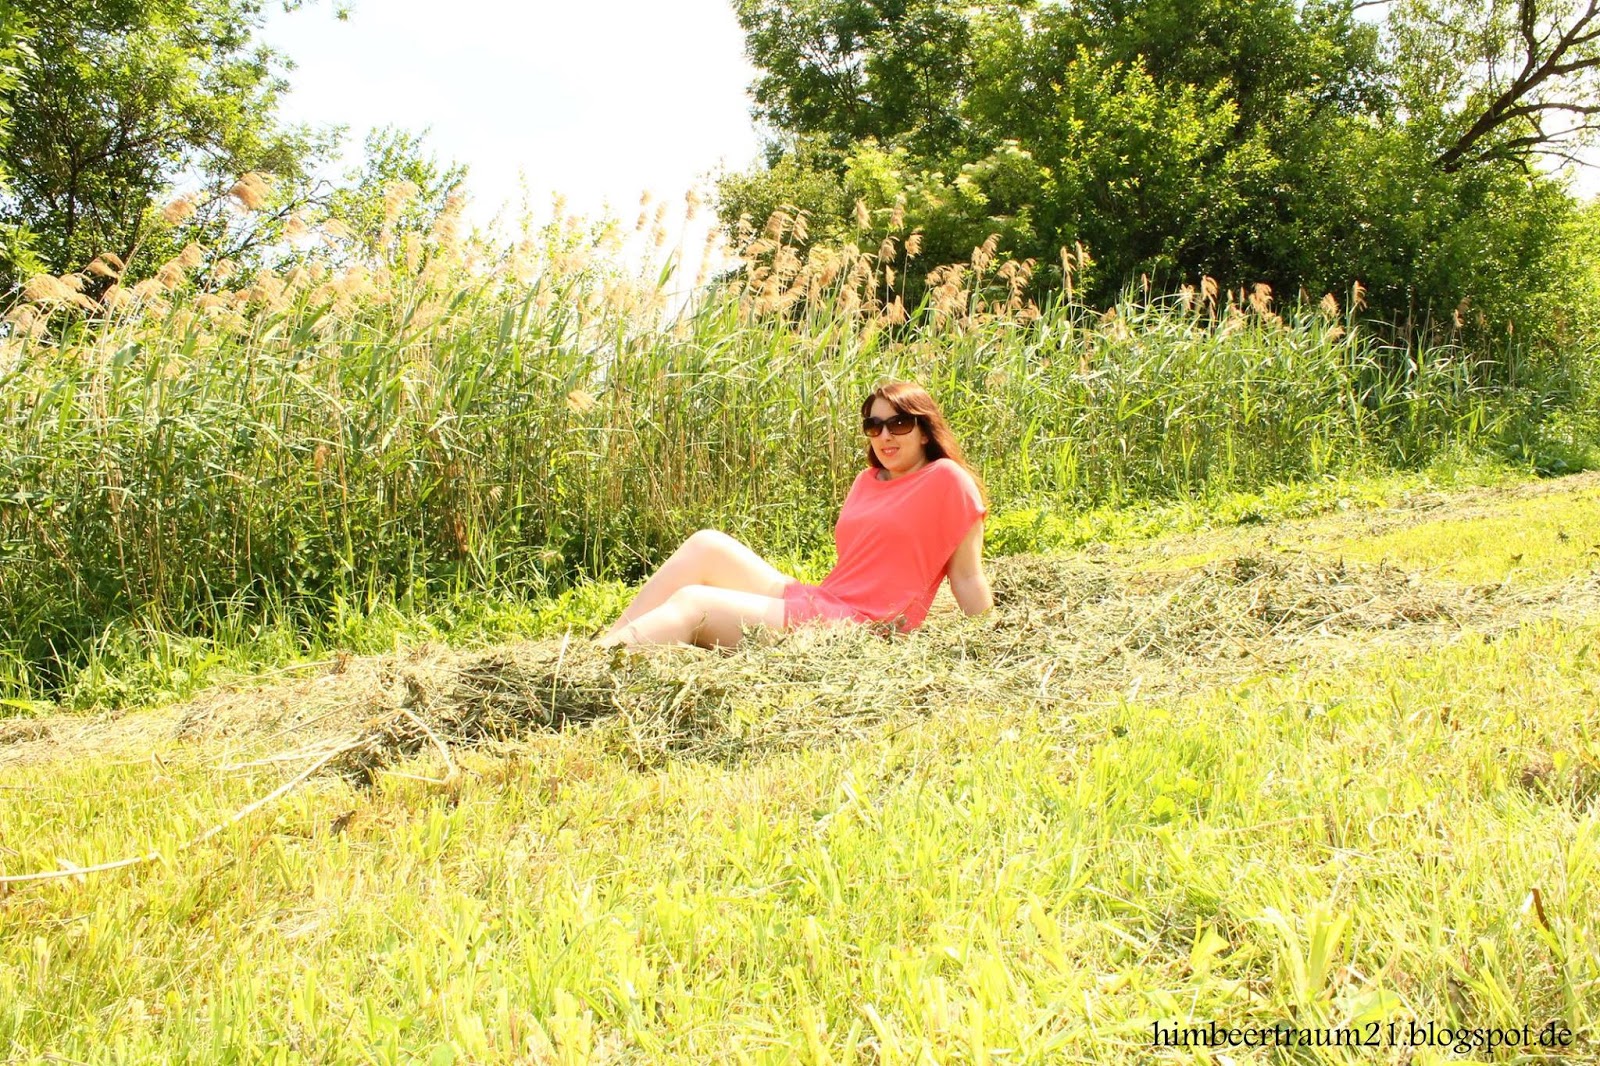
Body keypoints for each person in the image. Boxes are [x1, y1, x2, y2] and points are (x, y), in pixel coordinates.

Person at [595, 380, 993, 649]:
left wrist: (989, 640)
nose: (885, 436)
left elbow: (967, 575)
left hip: (862, 626)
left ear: (924, 430)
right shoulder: (867, 480)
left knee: (693, 602)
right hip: (827, 601)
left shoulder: (946, 479)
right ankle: (602, 649)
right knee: (707, 544)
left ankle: (603, 665)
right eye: (874, 426)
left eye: (899, 424)